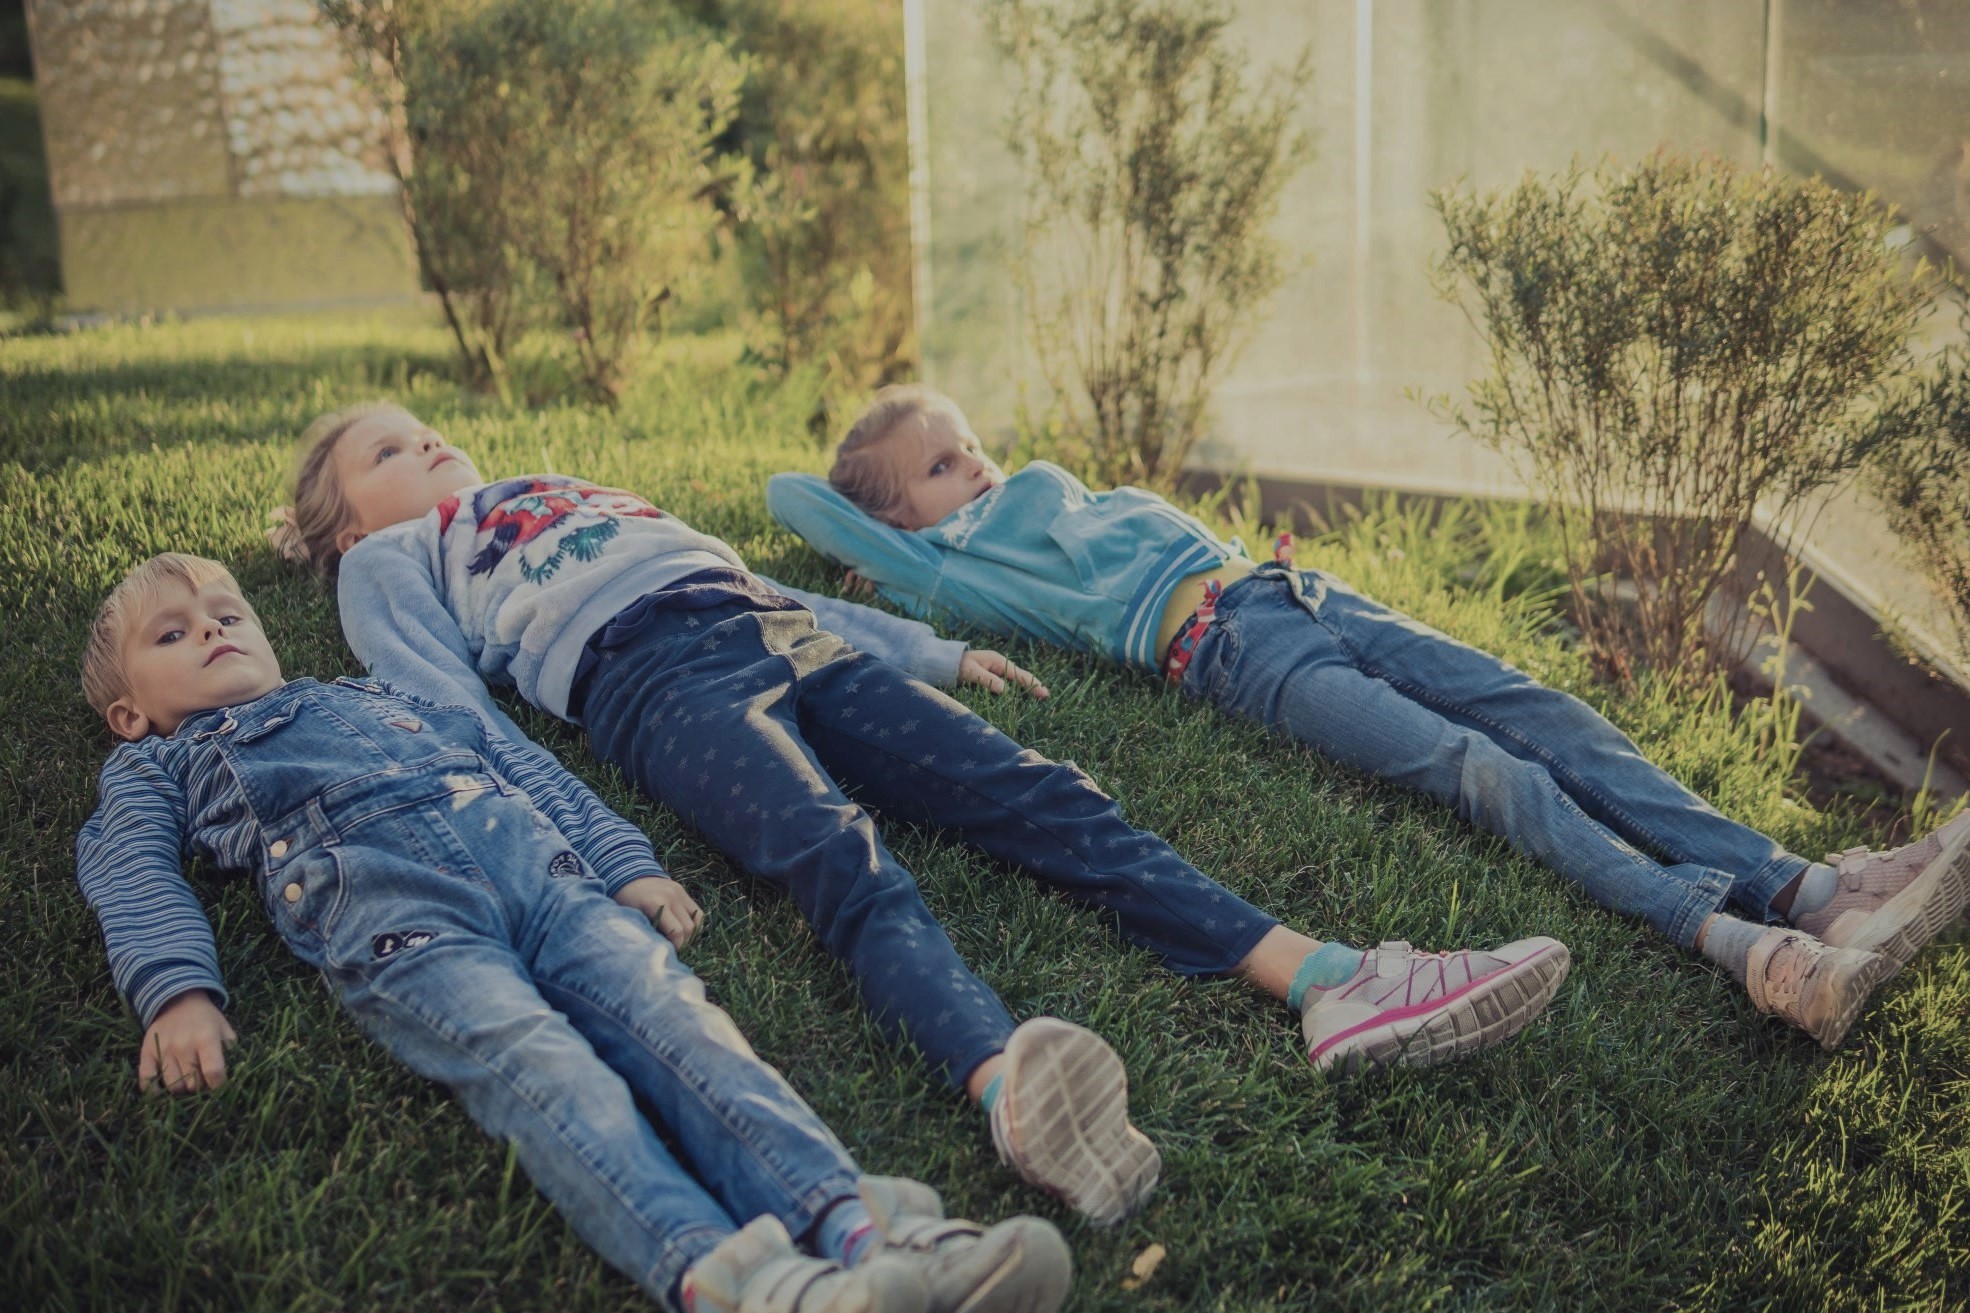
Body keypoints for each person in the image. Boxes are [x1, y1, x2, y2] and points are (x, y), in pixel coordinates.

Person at [278, 401, 1575, 1226]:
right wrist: (596, 849)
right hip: (646, 682)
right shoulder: (400, 563)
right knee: (834, 853)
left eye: (425, 426)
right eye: (385, 450)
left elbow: (742, 576)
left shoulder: (562, 490)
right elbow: (456, 711)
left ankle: (1327, 980)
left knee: (1032, 791)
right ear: (342, 528)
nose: (427, 443)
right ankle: (1010, 1083)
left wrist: (931, 652)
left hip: (767, 625)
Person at [765, 384, 1970, 1052]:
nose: (970, 467)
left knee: (1540, 710)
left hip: (1291, 589)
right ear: (899, 529)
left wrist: (938, 479)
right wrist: (887, 554)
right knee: (1477, 765)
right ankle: (1748, 947)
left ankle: (1811, 888)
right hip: (1228, 653)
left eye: (965, 444)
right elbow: (800, 505)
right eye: (937, 468)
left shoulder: (1027, 492)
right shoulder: (955, 568)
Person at [75, 552, 1075, 1313]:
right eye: (172, 635)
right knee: (543, 1065)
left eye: (225, 612)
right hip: (402, 924)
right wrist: (179, 990)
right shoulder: (159, 765)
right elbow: (129, 865)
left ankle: (862, 1230)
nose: (211, 631)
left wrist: (626, 866)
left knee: (680, 1024)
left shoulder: (380, 694)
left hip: (546, 878)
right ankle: (747, 1278)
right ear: (129, 713)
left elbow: (530, 774)